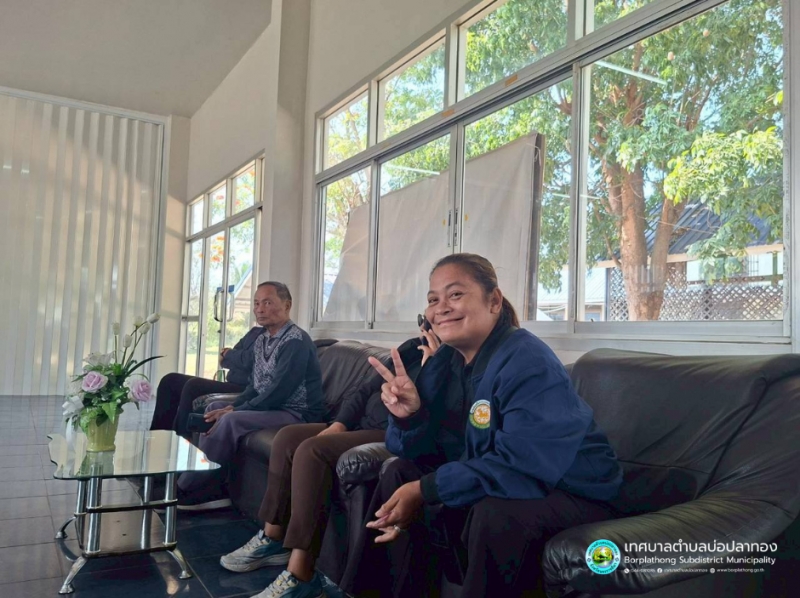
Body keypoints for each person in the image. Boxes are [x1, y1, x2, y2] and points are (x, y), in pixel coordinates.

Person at [363, 253, 623, 598]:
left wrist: (426, 489)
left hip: (570, 490)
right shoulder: (446, 362)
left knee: (494, 513)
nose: (441, 308)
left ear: (494, 301)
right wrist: (409, 415)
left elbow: (523, 464)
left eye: (455, 294)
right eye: (433, 300)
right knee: (400, 471)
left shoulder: (527, 360)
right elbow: (412, 449)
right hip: (508, 476)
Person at [216, 337, 427, 598]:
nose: (434, 319)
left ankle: (301, 575)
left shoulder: (447, 361)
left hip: (388, 433)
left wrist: (433, 364)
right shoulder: (410, 349)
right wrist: (339, 424)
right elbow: (363, 391)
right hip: (357, 424)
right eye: (429, 312)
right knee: (287, 438)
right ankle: (272, 538)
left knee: (311, 450)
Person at [177, 281, 325, 510]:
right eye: (256, 303)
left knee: (230, 420)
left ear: (287, 305)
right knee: (213, 408)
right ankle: (206, 480)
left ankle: (189, 488)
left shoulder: (296, 342)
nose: (260, 309)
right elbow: (255, 386)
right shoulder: (262, 340)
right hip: (274, 408)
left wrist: (235, 410)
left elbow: (278, 392)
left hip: (297, 413)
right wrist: (233, 405)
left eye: (267, 303)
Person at [149, 322, 263, 438]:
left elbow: (251, 361)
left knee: (194, 385)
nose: (260, 312)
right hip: (230, 383)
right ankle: (158, 436)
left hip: (247, 388)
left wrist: (229, 353)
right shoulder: (254, 332)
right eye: (257, 307)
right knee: (170, 380)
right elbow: (224, 361)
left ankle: (182, 436)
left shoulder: (270, 340)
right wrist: (237, 358)